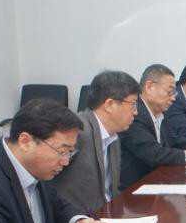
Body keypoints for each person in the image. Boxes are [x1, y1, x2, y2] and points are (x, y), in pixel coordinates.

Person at [118, 63, 186, 188]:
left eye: (174, 93)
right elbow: (154, 153)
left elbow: (173, 139)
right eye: (170, 91)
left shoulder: (160, 113)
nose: (173, 98)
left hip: (158, 182)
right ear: (149, 87)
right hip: (135, 190)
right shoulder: (134, 114)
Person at [52, 70, 138, 213]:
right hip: (79, 220)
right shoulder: (77, 132)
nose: (136, 112)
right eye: (133, 104)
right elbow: (47, 183)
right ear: (110, 104)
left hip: (107, 215)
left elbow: (111, 190)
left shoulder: (113, 136)